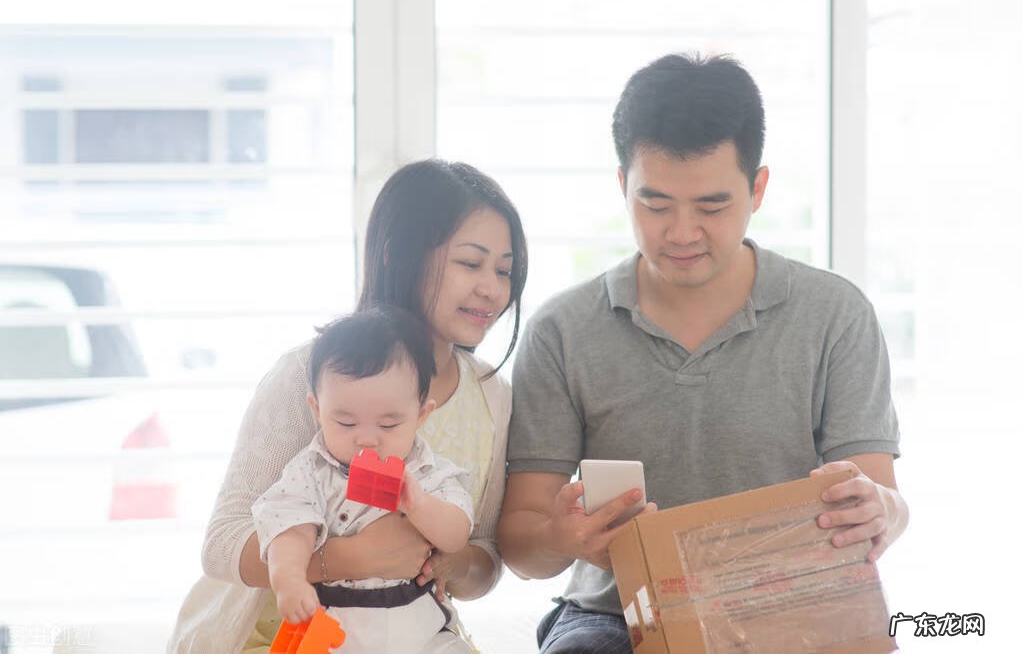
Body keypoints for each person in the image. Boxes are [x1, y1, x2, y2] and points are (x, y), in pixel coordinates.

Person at [497, 53, 909, 653]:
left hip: (787, 606)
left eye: (712, 207)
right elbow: (521, 542)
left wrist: (879, 513)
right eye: (655, 205)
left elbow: (882, 500)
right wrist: (563, 538)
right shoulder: (563, 330)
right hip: (619, 615)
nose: (682, 232)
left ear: (758, 188)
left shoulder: (834, 315)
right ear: (622, 186)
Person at [168, 158, 528, 653]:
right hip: (281, 636)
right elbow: (222, 542)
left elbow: (484, 555)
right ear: (398, 255)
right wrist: (350, 559)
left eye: (504, 270)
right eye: (471, 263)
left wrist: (448, 561)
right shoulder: (309, 374)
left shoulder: (491, 395)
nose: (493, 289)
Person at [253, 308, 473, 652]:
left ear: (421, 415)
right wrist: (290, 579)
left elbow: (457, 534)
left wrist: (419, 505)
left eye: (388, 425)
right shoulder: (310, 472)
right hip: (337, 628)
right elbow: (289, 527)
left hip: (418, 626)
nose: (367, 439)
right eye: (345, 423)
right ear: (317, 410)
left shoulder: (429, 473)